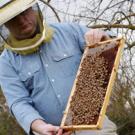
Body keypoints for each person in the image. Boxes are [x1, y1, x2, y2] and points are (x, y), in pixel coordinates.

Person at [0, 0, 117, 135]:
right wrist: (40, 126)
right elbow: (18, 102)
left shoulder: (69, 31)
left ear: (32, 9)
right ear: (6, 24)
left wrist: (102, 38)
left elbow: (109, 45)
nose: (21, 20)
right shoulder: (5, 62)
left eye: (23, 12)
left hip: (93, 125)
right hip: (48, 132)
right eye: (13, 18)